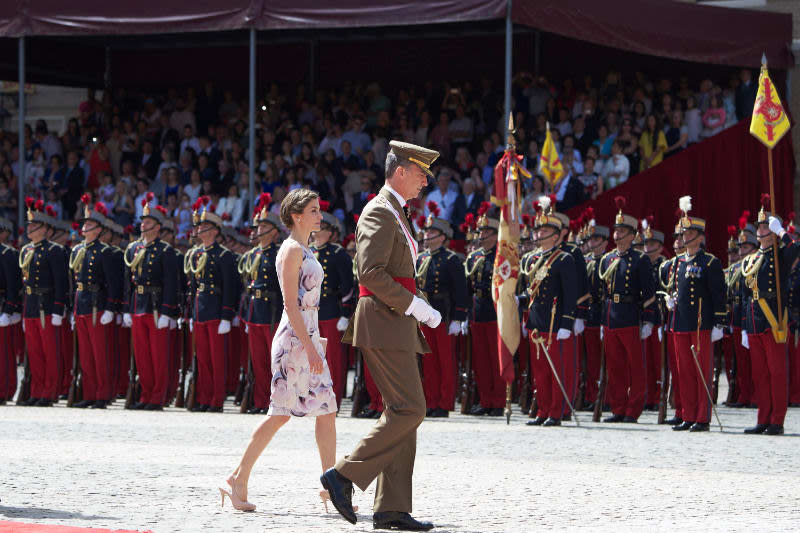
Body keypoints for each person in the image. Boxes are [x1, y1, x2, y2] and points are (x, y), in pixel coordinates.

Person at [322, 141, 439, 531]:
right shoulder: (380, 211)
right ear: (401, 170)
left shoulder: (395, 212)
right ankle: (343, 475)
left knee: (401, 412)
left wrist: (418, 302)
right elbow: (370, 274)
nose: (425, 181)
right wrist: (414, 305)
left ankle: (392, 507)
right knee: (411, 409)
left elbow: (399, 271)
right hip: (384, 319)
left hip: (395, 320)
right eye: (421, 173)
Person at [224, 188, 338, 513]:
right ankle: (238, 477)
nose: (320, 215)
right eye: (314, 210)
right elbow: (290, 304)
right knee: (279, 415)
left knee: (327, 410)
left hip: (308, 337)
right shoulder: (291, 250)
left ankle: (330, 486)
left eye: (319, 209)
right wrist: (309, 346)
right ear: (297, 216)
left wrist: (316, 342)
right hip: (293, 341)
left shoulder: (305, 248)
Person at [740, 197, 799, 435]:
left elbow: (797, 250)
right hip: (754, 320)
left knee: (776, 373)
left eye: (766, 227)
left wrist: (782, 232)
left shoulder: (780, 254)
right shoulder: (753, 258)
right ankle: (763, 418)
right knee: (760, 374)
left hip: (774, 320)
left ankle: (777, 420)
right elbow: (746, 292)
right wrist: (744, 325)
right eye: (761, 227)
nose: (761, 231)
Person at [668, 197, 726, 432]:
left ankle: (702, 417)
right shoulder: (679, 262)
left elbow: (718, 295)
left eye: (688, 233)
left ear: (699, 236)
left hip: (702, 323)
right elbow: (676, 288)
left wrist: (719, 323)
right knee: (685, 372)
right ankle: (688, 414)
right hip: (681, 322)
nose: (683, 237)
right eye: (683, 233)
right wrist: (672, 300)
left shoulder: (710, 262)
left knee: (702, 371)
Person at [598, 199, 657, 423]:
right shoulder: (607, 259)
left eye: (622, 231)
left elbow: (649, 293)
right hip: (611, 317)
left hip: (631, 316)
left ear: (632, 236)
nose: (617, 235)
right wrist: (604, 321)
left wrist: (649, 321)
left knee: (635, 367)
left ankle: (633, 410)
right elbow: (603, 293)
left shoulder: (640, 259)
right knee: (616, 367)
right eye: (616, 230)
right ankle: (618, 408)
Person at [123, 194, 179, 410]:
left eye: (147, 222)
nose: (143, 225)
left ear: (157, 227)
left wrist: (167, 310)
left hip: (156, 308)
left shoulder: (165, 251)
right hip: (138, 305)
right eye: (142, 221)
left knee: (158, 356)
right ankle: (145, 395)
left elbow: (170, 283)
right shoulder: (133, 250)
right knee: (143, 357)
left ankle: (158, 397)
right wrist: (128, 309)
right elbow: (128, 282)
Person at [414, 205, 468, 417]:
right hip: (425, 315)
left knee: (445, 361)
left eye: (431, 232)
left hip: (444, 314)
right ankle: (431, 400)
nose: (426, 236)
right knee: (428, 361)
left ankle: (444, 404)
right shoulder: (421, 258)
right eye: (426, 232)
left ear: (442, 236)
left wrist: (459, 317)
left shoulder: (452, 259)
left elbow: (461, 291)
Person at [69, 197, 122, 409]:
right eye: (84, 224)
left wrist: (110, 307)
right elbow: (74, 282)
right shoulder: (78, 250)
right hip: (81, 304)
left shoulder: (105, 252)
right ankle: (89, 393)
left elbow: (113, 283)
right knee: (87, 356)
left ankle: (103, 394)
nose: (84, 227)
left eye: (89, 224)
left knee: (101, 354)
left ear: (99, 229)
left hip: (96, 305)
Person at [19, 198, 68, 406]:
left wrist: (58, 308)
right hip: (31, 306)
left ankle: (49, 392)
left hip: (46, 306)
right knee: (36, 353)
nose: (29, 228)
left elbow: (61, 282)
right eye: (28, 225)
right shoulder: (27, 250)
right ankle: (37, 390)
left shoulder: (54, 251)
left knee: (49, 352)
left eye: (33, 225)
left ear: (44, 229)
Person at [241, 193, 284, 414]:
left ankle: (276, 401)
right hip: (255, 311)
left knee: (274, 361)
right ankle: (259, 401)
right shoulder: (251, 255)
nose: (258, 230)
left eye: (263, 227)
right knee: (257, 362)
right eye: (258, 226)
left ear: (274, 231)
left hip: (273, 312)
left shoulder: (279, 254)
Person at [310, 202, 355, 409]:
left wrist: (345, 314)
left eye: (322, 228)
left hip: (331, 309)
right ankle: (315, 395)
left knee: (334, 358)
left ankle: (333, 396)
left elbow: (348, 286)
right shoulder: (306, 252)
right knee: (314, 357)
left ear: (331, 233)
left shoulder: (338, 254)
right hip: (312, 311)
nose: (318, 231)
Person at [464, 202, 505, 417]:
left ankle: (498, 401)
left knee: (495, 359)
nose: (482, 236)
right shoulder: (473, 257)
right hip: (477, 312)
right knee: (480, 360)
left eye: (487, 232)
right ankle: (485, 400)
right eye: (481, 232)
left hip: (496, 312)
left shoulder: (502, 256)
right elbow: (467, 286)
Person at [0, 217, 22, 404]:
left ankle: (5, 390)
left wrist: (8, 310)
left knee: (4, 354)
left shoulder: (7, 254)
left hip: (1, 307)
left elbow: (13, 286)